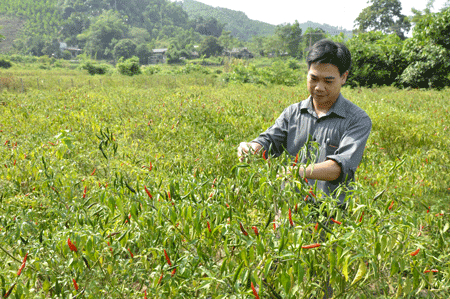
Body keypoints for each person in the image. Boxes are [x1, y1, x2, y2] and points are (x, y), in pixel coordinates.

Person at [237, 39, 372, 204]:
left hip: (329, 214)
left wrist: (297, 171)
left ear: (344, 77)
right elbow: (269, 141)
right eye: (313, 78)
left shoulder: (357, 120)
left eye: (328, 81)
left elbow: (339, 167)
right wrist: (251, 148)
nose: (319, 87)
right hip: (289, 209)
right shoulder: (292, 113)